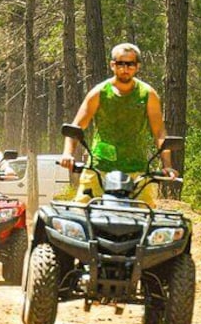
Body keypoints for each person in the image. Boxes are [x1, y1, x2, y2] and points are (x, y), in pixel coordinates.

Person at [59, 43, 177, 206]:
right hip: (99, 168)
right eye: (120, 63)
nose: (125, 68)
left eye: (130, 64)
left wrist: (167, 166)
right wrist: (68, 154)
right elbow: (76, 128)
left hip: (137, 171)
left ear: (137, 67)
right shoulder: (99, 93)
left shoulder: (147, 94)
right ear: (112, 65)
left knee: (146, 219)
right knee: (80, 213)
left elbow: (159, 132)